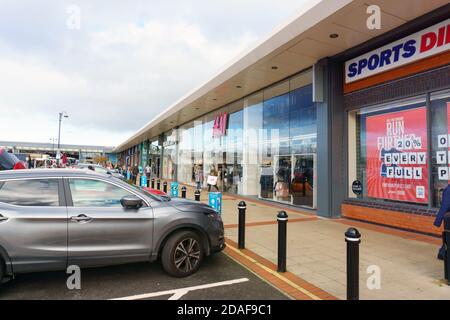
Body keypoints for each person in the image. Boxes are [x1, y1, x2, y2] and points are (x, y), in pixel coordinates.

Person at [434, 185, 450, 260]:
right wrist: (438, 221)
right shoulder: (448, 190)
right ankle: (442, 253)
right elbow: (445, 206)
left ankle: (442, 253)